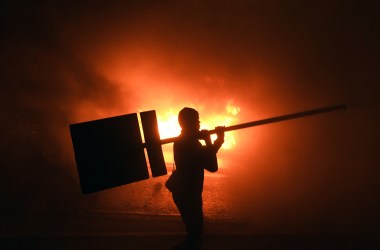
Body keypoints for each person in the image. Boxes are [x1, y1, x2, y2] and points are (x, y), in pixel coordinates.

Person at [168, 107, 224, 249]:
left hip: (185, 193)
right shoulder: (189, 143)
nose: (199, 123)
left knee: (194, 236)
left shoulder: (185, 141)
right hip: (188, 195)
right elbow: (211, 165)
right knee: (194, 238)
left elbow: (206, 156)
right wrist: (210, 141)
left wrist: (217, 141)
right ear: (188, 122)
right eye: (196, 120)